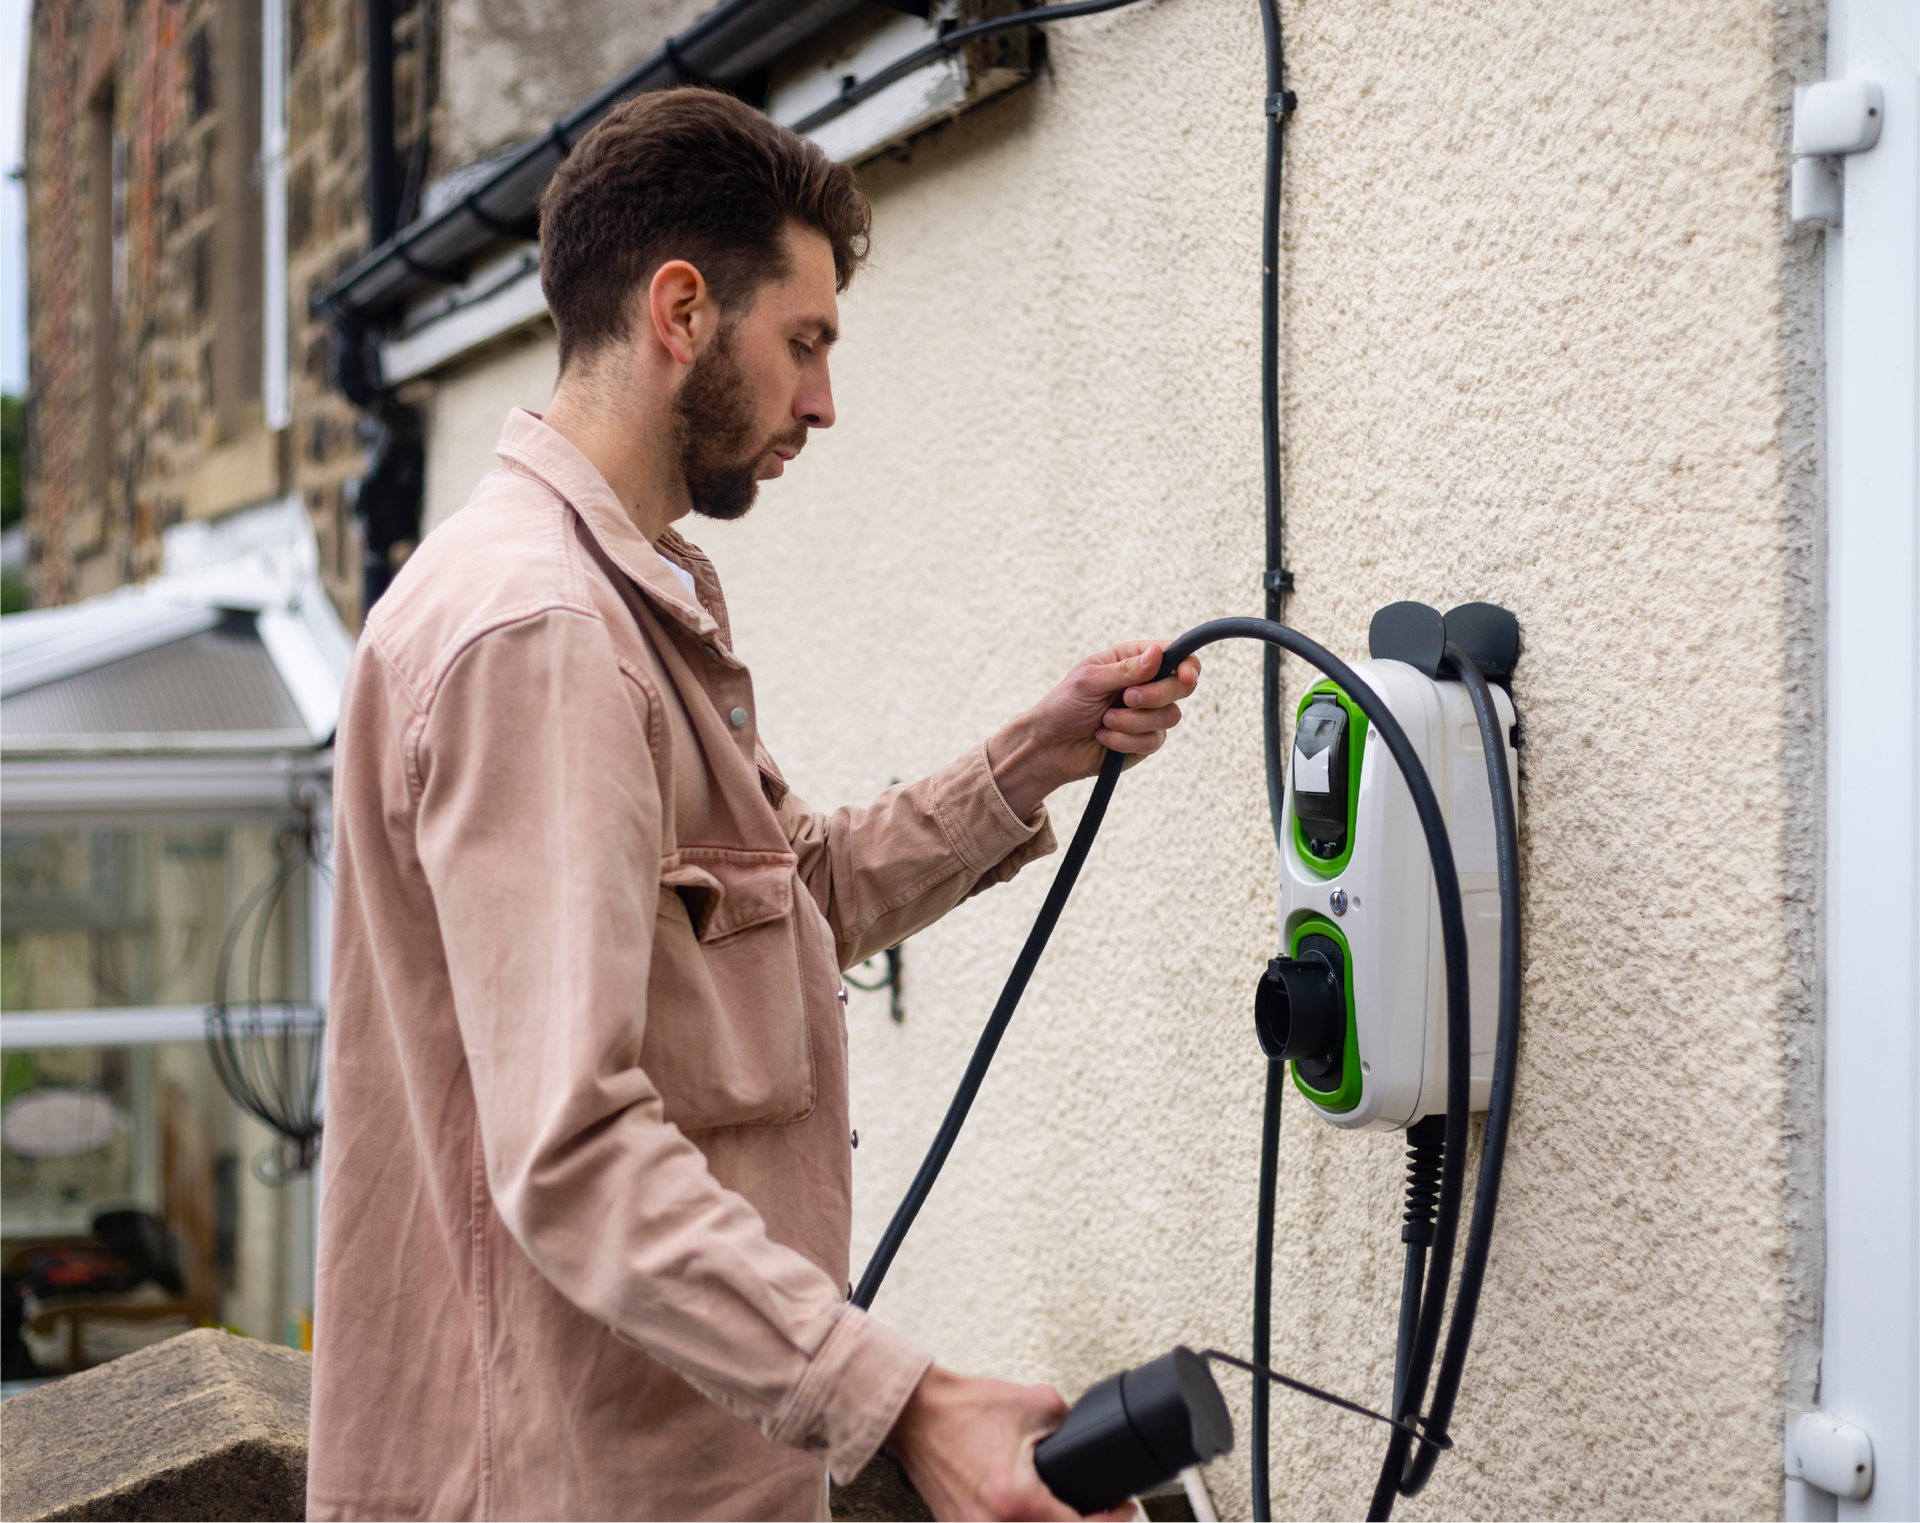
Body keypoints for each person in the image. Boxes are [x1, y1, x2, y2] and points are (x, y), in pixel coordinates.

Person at [308, 87, 1203, 1523]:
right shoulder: (540, 634)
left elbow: (781, 909)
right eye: (805, 342)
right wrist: (899, 1402)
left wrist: (1029, 761)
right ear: (679, 312)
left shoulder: (619, 602)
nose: (824, 403)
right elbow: (574, 1151)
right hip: (565, 1485)